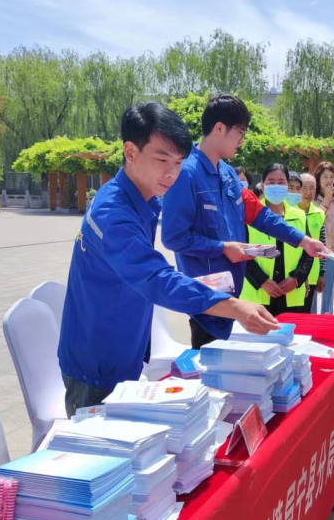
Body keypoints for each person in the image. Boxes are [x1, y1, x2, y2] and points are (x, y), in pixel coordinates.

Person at [58, 102, 278, 417]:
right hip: (96, 363)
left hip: (123, 345)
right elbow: (156, 279)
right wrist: (235, 307)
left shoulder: (143, 199)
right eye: (162, 159)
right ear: (130, 151)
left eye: (178, 162)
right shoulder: (113, 213)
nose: (172, 173)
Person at [162, 94, 328, 348]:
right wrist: (223, 248)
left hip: (233, 296)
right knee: (211, 363)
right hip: (207, 300)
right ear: (220, 128)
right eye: (240, 132)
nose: (242, 140)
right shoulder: (186, 174)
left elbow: (260, 215)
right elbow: (173, 237)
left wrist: (303, 240)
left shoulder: (227, 173)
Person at [241, 164, 314, 316]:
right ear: (262, 185)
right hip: (259, 295)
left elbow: (309, 253)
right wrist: (263, 281)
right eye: (271, 182)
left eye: (281, 182)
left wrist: (296, 278)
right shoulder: (248, 216)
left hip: (291, 295)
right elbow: (241, 254)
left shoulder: (300, 216)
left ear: (287, 185)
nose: (276, 186)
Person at [314, 162, 334, 314]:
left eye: (331, 177)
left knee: (329, 291)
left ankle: (327, 317)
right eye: (325, 176)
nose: (329, 180)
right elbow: (316, 220)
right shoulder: (313, 199)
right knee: (314, 288)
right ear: (318, 179)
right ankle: (312, 318)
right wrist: (326, 199)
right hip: (316, 251)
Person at [297, 172, 326, 313]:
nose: (308, 192)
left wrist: (321, 274)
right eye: (304, 188)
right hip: (292, 276)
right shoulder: (288, 212)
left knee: (307, 313)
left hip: (312, 275)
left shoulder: (319, 214)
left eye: (312, 188)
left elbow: (322, 245)